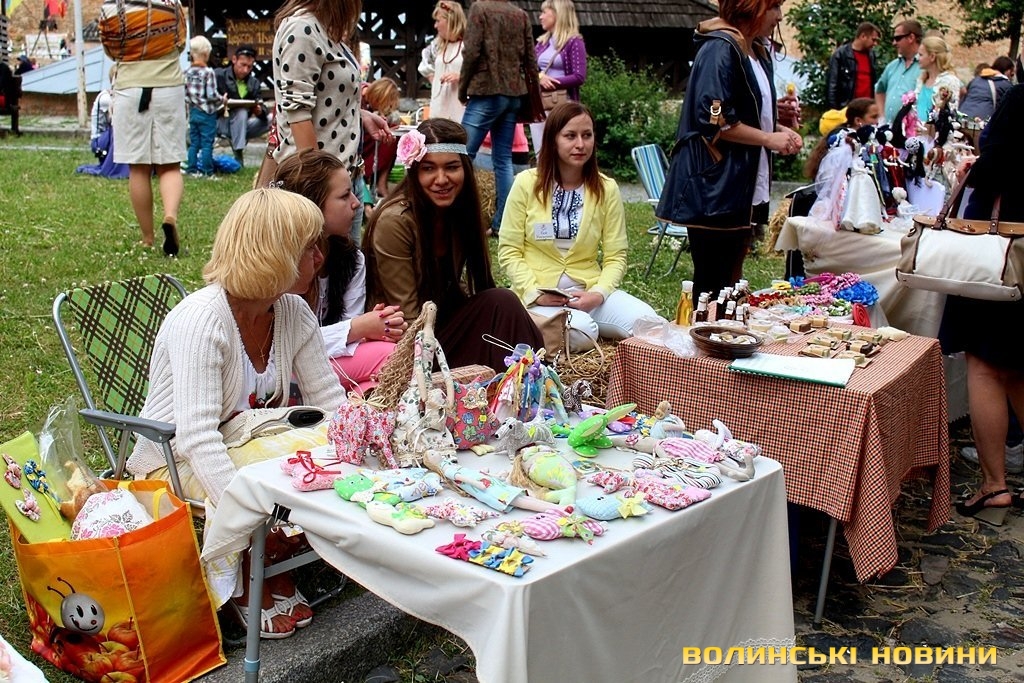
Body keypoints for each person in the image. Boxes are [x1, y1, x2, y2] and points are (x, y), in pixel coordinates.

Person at [127, 188, 345, 637]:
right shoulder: (202, 320)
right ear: (274, 254)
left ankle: (274, 559)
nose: (319, 257)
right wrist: (255, 517)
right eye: (309, 247)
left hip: (246, 443)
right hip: (174, 459)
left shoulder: (293, 311)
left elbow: (331, 402)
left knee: (323, 446)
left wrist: (359, 449)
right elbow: (196, 439)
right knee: (275, 470)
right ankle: (245, 571)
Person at [363, 118, 543, 372]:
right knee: (501, 305)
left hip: (441, 325)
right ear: (414, 172)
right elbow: (407, 318)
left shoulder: (460, 212)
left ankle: (529, 379)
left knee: (502, 302)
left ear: (465, 169)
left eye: (451, 167)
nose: (441, 179)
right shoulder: (395, 222)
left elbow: (466, 290)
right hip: (409, 345)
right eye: (428, 169)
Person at [656, 0, 803, 299]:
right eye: (774, 7)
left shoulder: (756, 50)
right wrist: (768, 138)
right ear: (750, 6)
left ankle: (725, 328)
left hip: (743, 183)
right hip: (715, 183)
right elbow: (713, 116)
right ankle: (706, 329)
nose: (779, 16)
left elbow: (742, 107)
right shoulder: (719, 48)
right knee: (712, 281)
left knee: (731, 281)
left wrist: (776, 119)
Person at [498, 101, 660, 350]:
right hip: (539, 295)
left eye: (587, 135)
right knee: (583, 331)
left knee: (649, 323)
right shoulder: (526, 184)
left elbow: (616, 256)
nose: (580, 144)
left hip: (589, 293)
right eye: (570, 136)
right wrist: (534, 292)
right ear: (553, 140)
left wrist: (599, 293)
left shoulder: (606, 189)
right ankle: (533, 319)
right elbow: (509, 251)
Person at [940, 85, 1024, 524]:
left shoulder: (1019, 100)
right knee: (1017, 368)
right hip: (1016, 252)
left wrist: (974, 169)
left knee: (987, 366)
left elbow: (999, 164)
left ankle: (994, 485)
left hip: (1000, 250)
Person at [273, 149, 407, 394]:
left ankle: (348, 414)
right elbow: (280, 347)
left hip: (325, 366)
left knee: (376, 380)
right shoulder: (277, 261)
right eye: (345, 196)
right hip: (280, 372)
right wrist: (358, 328)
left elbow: (350, 338)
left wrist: (374, 327)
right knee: (389, 356)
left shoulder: (350, 258)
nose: (356, 203)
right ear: (312, 204)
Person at [272, 0, 392, 245]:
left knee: (346, 266)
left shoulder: (324, 28)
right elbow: (298, 113)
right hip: (322, 186)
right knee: (321, 265)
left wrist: (359, 115)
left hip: (343, 179)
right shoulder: (302, 28)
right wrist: (320, 187)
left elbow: (324, 94)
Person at [111, 0, 186, 255]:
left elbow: (110, 47)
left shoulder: (115, 6)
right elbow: (181, 42)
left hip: (130, 87)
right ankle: (170, 216)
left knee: (138, 167)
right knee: (170, 165)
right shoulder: (172, 4)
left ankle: (147, 238)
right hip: (168, 86)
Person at [458, 0, 539, 235]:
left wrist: (463, 89)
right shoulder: (520, 14)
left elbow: (471, 52)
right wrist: (531, 95)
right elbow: (531, 60)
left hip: (486, 90)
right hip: (514, 93)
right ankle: (502, 223)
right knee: (503, 161)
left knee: (461, 154)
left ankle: (457, 218)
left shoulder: (480, 9)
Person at [529, 0, 587, 153]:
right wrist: (540, 78)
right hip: (540, 102)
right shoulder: (542, 43)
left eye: (544, 12)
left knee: (561, 149)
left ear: (557, 14)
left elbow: (579, 76)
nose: (540, 17)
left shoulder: (574, 42)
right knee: (540, 149)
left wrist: (552, 82)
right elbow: (530, 70)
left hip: (563, 103)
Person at [216, 44, 269, 167]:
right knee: (241, 112)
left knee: (273, 119)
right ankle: (238, 155)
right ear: (234, 60)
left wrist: (260, 111)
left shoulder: (254, 83)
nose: (245, 70)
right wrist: (220, 101)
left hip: (242, 126)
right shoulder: (219, 76)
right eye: (243, 65)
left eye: (249, 67)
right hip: (220, 122)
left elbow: (262, 106)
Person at [418, 1, 467, 122]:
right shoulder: (437, 46)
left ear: (450, 21)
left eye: (438, 21)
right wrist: (434, 80)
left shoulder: (468, 46)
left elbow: (481, 75)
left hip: (460, 110)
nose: (435, 26)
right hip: (439, 108)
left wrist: (461, 77)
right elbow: (425, 64)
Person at [184, 35, 223, 179]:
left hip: (193, 111)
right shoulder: (208, 73)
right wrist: (222, 99)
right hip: (207, 113)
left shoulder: (186, 72)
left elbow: (185, 94)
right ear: (206, 54)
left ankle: (191, 169)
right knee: (207, 143)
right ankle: (207, 171)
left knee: (194, 143)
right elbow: (211, 95)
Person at [875, 20, 922, 124]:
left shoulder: (925, 67)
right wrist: (881, 117)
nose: (894, 43)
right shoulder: (892, 66)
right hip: (888, 129)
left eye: (898, 38)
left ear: (911, 38)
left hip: (912, 130)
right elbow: (879, 90)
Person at [824, 21, 880, 110]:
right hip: (847, 108)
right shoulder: (841, 54)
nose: (875, 44)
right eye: (873, 40)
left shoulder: (871, 56)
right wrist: (834, 111)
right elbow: (832, 85)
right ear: (863, 36)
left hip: (867, 109)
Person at [361, 78, 400, 201]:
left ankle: (381, 182)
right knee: (388, 137)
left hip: (367, 134)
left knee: (393, 136)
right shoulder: (358, 96)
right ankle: (377, 183)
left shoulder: (370, 95)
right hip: (358, 138)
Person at [915, 35, 962, 124]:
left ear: (932, 57)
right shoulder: (922, 80)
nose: (917, 58)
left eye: (921, 55)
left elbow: (951, 113)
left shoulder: (950, 81)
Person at [958, 56, 1014, 122]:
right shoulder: (1006, 85)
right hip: (982, 121)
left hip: (962, 118)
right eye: (1012, 74)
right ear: (1008, 71)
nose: (1012, 78)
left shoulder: (976, 80)